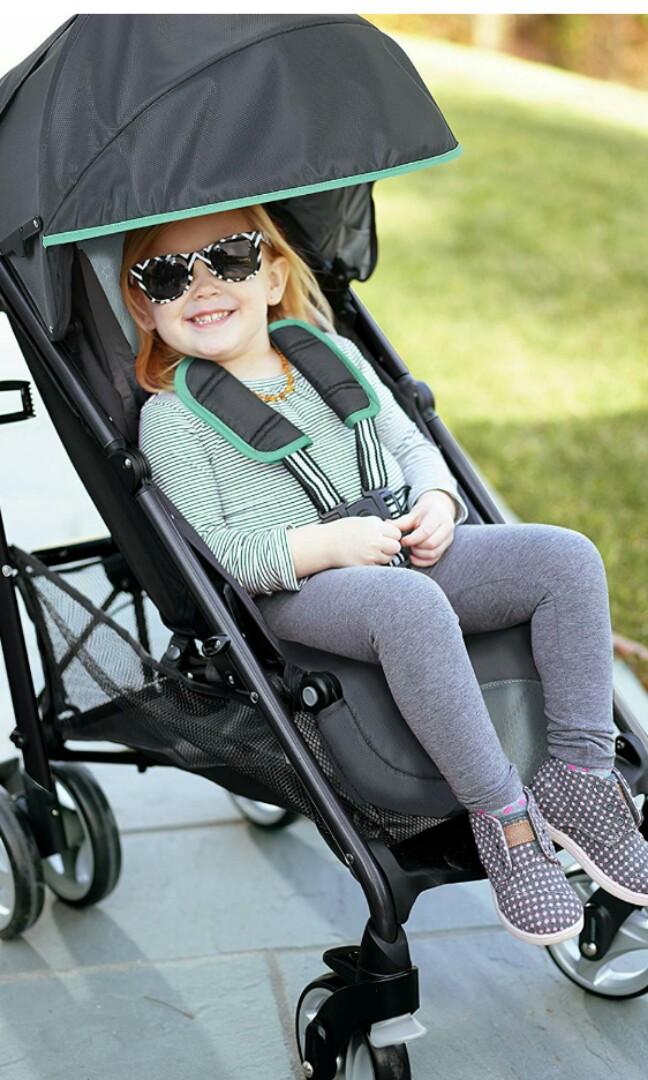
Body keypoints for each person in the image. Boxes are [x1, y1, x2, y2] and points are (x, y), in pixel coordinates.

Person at [120, 203, 648, 948]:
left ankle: (582, 780)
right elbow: (223, 554)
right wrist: (327, 546)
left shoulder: (332, 357)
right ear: (145, 307)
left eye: (231, 258)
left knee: (568, 559)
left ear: (273, 278)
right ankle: (503, 816)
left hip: (404, 540)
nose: (203, 286)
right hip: (302, 589)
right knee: (408, 604)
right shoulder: (173, 419)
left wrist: (437, 500)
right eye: (168, 275)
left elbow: (410, 444)